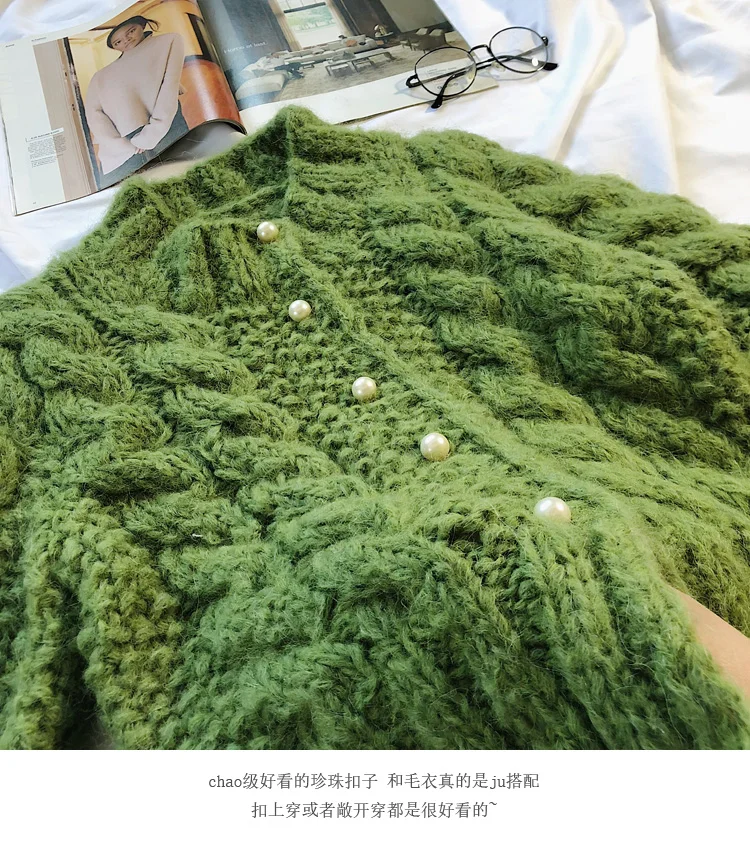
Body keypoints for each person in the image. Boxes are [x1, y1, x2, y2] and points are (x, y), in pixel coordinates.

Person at [84, 16, 187, 187]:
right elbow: (94, 116)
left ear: (142, 25)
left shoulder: (168, 41)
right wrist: (122, 146)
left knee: (183, 178)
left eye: (130, 31)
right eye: (117, 42)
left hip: (165, 125)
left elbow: (169, 86)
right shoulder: (100, 77)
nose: (126, 40)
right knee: (125, 194)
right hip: (121, 147)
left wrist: (151, 135)